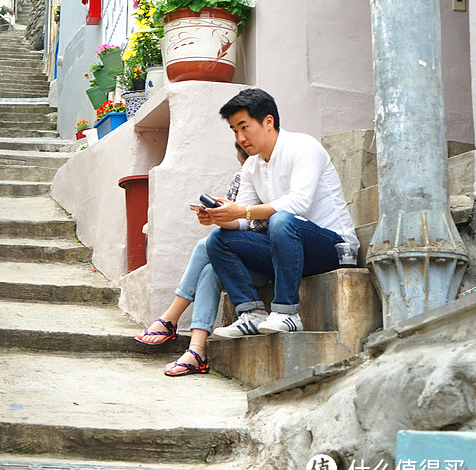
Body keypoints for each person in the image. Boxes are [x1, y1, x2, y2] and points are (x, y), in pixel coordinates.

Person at [201, 88, 357, 338]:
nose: (240, 137)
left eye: (244, 127)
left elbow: (298, 204)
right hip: (288, 252)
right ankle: (251, 313)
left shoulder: (303, 146)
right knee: (218, 240)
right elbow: (244, 220)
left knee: (282, 219)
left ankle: (287, 313)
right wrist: (221, 216)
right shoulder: (251, 165)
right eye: (234, 131)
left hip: (332, 249)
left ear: (268, 121)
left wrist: (243, 211)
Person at [134, 143, 268, 376]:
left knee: (204, 244)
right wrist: (217, 216)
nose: (243, 168)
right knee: (210, 271)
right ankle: (196, 351)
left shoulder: (274, 178)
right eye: (241, 162)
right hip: (239, 262)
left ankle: (170, 318)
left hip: (268, 260)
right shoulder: (241, 177)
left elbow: (259, 226)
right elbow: (236, 226)